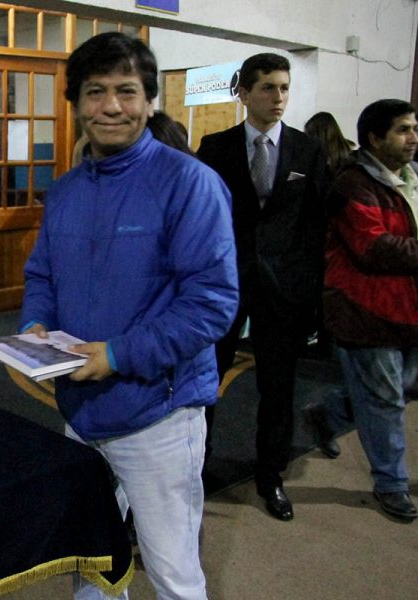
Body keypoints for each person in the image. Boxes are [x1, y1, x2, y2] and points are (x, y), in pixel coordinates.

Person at [21, 32, 237, 600]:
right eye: (95, 92)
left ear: (149, 100)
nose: (110, 106)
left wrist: (118, 354)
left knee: (171, 571)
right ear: (76, 103)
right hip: (79, 409)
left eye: (126, 91)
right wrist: (32, 329)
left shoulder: (190, 184)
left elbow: (211, 303)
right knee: (92, 558)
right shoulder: (65, 191)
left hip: (157, 413)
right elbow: (42, 274)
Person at [197, 53, 328, 521]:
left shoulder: (307, 151)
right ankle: (196, 468)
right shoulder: (216, 147)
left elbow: (315, 226)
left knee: (278, 388)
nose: (279, 98)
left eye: (285, 88)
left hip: (283, 288)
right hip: (224, 285)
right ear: (244, 93)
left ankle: (271, 476)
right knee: (205, 381)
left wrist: (311, 293)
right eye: (268, 88)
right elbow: (200, 220)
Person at [305, 99, 418, 521]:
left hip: (406, 307)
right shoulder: (353, 185)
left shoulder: (409, 177)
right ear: (375, 137)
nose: (413, 138)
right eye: (403, 130)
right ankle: (391, 483)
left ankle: (328, 414)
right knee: (387, 400)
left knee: (401, 387)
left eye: (414, 129)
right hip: (366, 310)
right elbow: (373, 247)